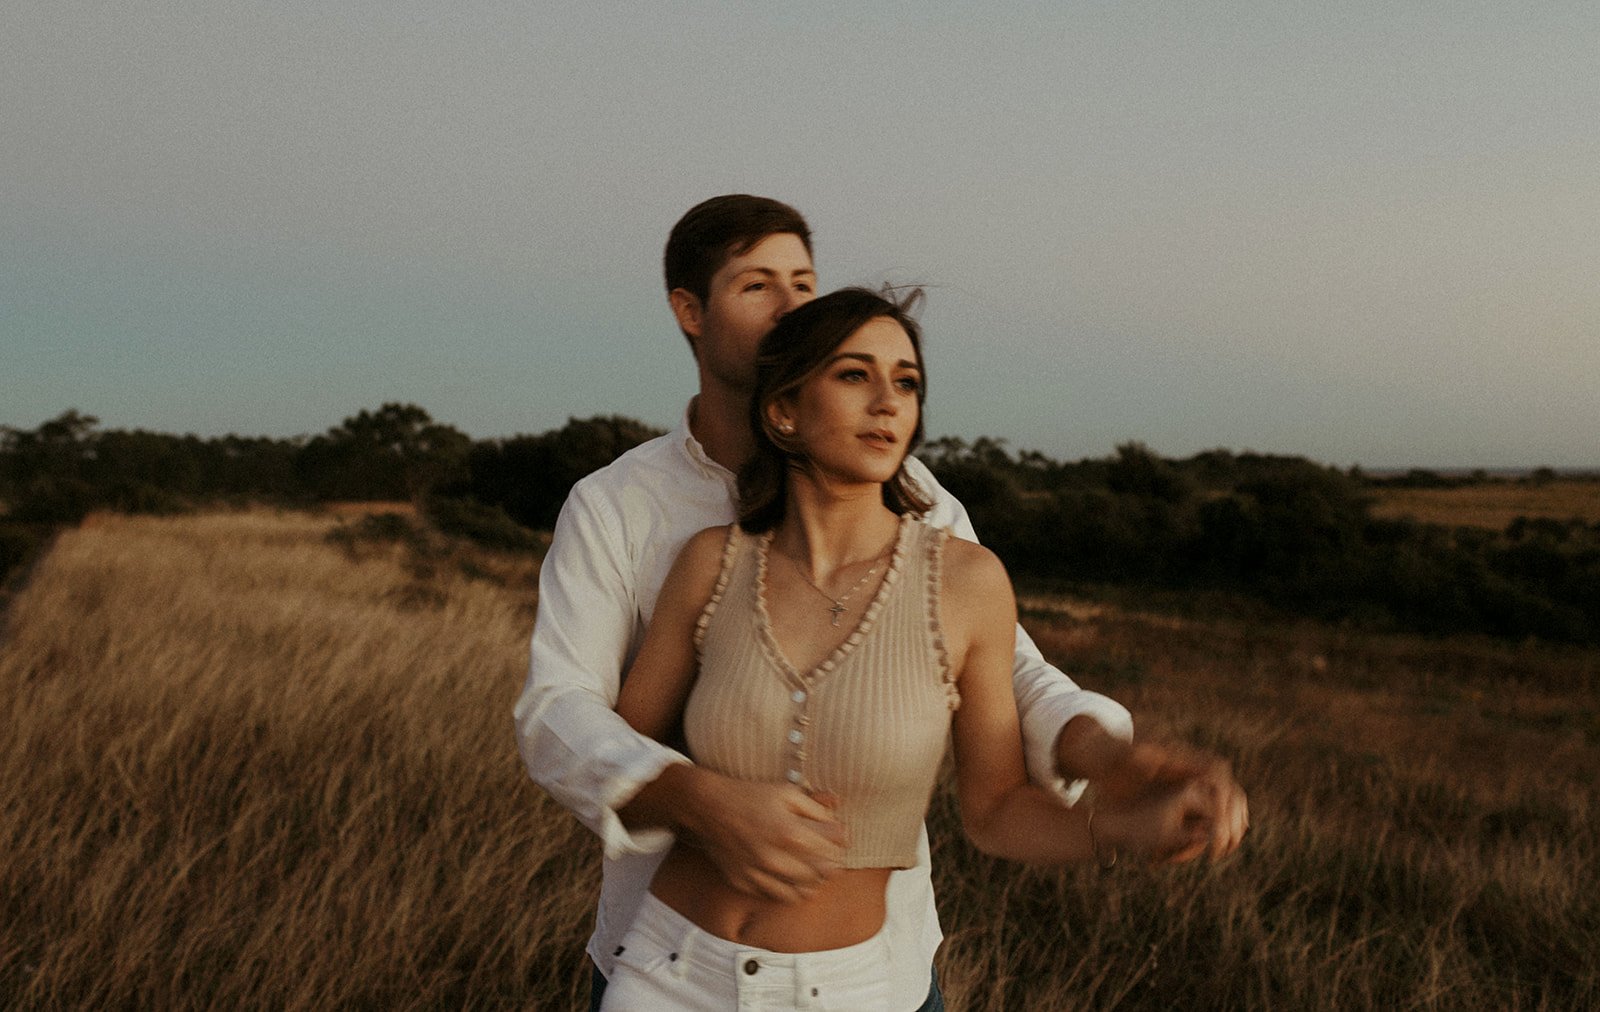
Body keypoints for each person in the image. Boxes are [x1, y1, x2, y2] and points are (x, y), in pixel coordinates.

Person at [513, 195, 1247, 1011]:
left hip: (871, 970)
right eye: (758, 284)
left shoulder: (931, 515)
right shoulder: (629, 511)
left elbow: (1009, 680)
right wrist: (696, 797)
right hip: (664, 963)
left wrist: (1114, 763)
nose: (793, 303)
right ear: (690, 311)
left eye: (805, 280)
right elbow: (564, 713)